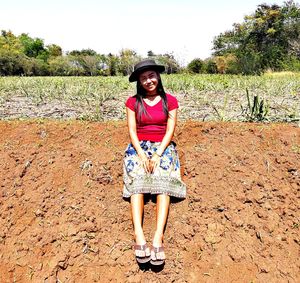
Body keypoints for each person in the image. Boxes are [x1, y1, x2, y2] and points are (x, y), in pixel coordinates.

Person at [123, 59, 186, 266]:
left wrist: (158, 153)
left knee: (163, 183)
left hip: (163, 146)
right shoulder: (133, 102)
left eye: (151, 76)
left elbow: (170, 130)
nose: (148, 81)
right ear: (139, 82)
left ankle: (158, 237)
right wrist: (141, 154)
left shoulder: (171, 101)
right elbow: (132, 131)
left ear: (157, 77)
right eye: (143, 78)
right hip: (139, 146)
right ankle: (139, 236)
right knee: (137, 182)